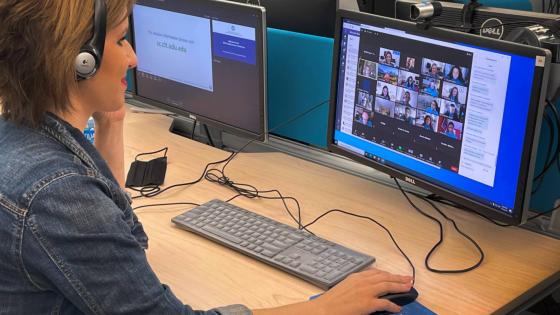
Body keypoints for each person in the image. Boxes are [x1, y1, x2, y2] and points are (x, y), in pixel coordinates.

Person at [0, 1, 413, 314]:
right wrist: (321, 307)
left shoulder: (18, 137)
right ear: (79, 60)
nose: (133, 58)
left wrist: (111, 123)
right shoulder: (61, 194)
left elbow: (128, 239)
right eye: (123, 39)